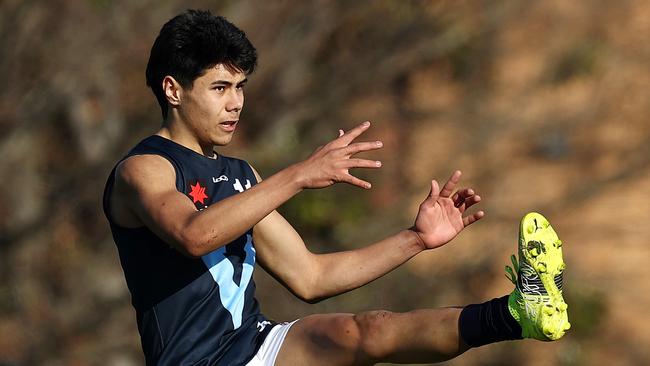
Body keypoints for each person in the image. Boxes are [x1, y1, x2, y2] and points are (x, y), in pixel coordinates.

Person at [102, 9, 570, 366]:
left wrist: (416, 239)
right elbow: (193, 235)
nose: (236, 103)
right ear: (173, 90)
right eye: (220, 88)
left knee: (370, 331)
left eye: (241, 87)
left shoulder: (241, 174)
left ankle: (516, 313)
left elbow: (311, 277)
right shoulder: (144, 169)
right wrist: (300, 175)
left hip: (254, 344)